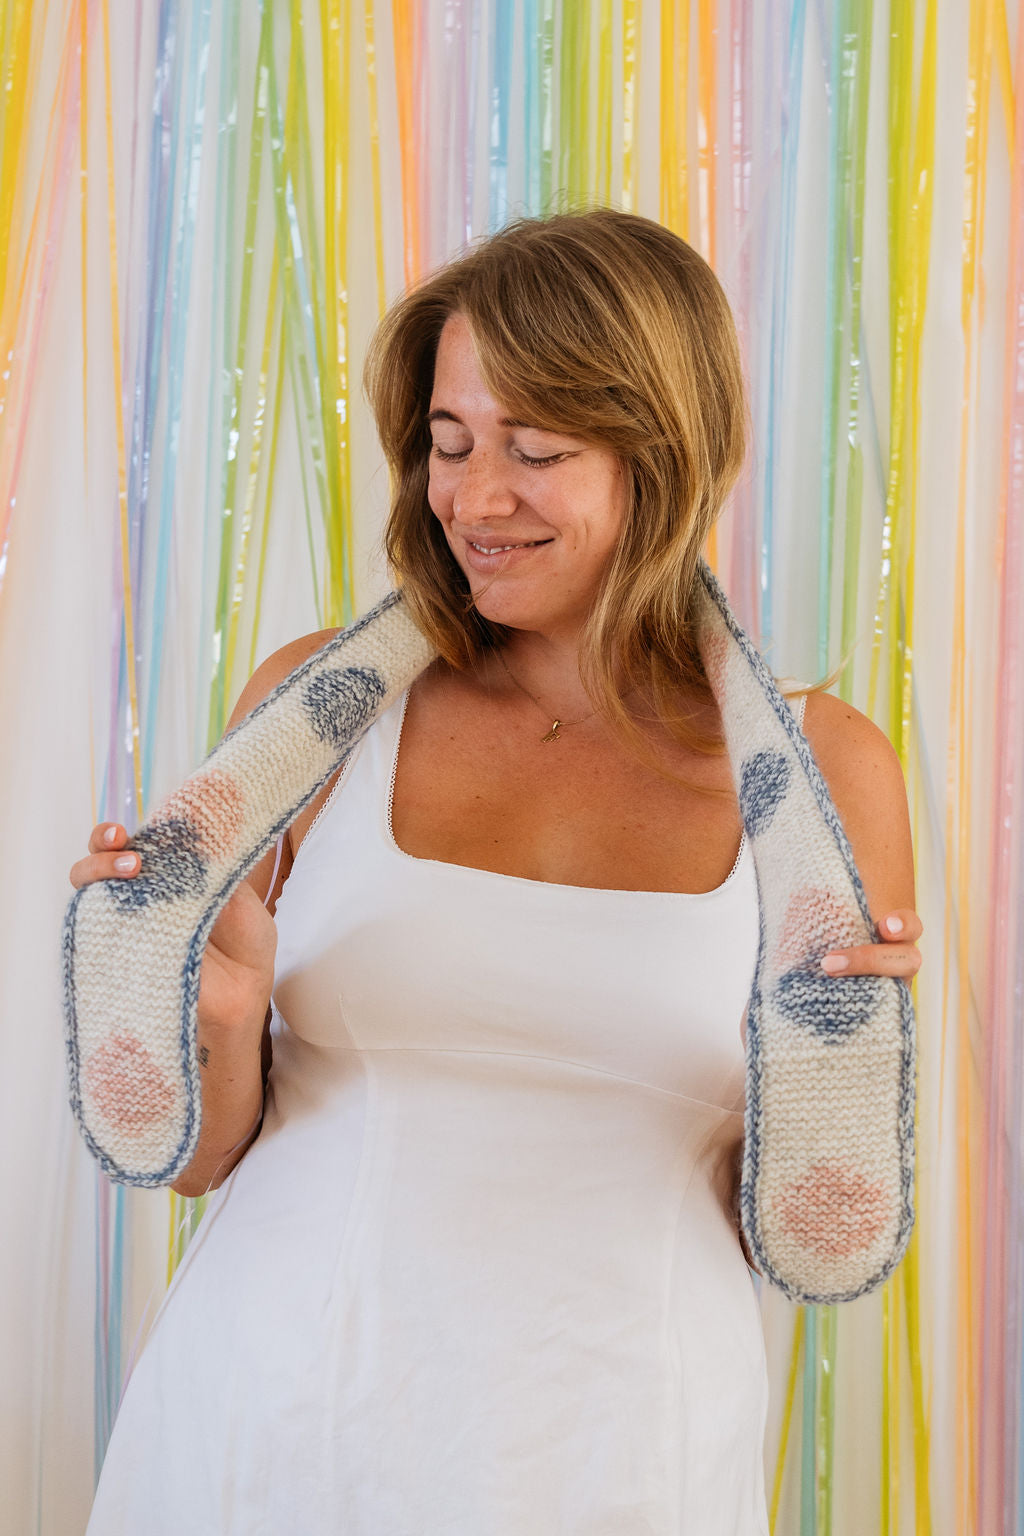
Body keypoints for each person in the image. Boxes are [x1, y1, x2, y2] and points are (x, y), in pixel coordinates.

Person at [70, 207, 922, 1535]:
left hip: (617, 1461)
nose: (474, 497)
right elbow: (198, 1159)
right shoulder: (314, 711)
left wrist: (835, 1071)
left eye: (536, 450)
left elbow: (808, 1241)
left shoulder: (819, 774)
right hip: (264, 1421)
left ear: (663, 455)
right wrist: (211, 1005)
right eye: (449, 445)